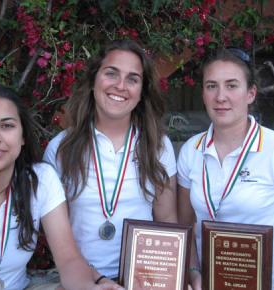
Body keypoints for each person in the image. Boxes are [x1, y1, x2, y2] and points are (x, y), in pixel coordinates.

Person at [0, 86, 123, 290]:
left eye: (7, 126)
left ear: (23, 136)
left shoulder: (41, 180)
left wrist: (91, 288)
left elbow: (69, 259)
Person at [43, 39, 178, 280]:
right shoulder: (61, 148)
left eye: (133, 79)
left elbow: (167, 221)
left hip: (143, 280)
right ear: (94, 80)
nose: (120, 86)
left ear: (142, 92)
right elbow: (59, 241)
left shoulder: (158, 146)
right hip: (82, 281)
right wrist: (94, 280)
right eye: (111, 73)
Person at [177, 48, 274, 290]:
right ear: (203, 93)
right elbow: (183, 227)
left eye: (232, 85)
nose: (220, 96)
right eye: (211, 86)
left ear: (251, 93)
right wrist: (193, 273)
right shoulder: (190, 151)